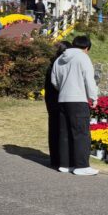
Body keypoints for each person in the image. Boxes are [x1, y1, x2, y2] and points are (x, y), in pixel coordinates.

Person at [51, 35, 100, 175]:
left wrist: (63, 90)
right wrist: (93, 97)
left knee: (65, 133)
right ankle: (82, 166)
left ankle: (65, 164)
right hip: (78, 100)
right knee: (81, 133)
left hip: (62, 99)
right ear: (86, 48)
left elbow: (54, 80)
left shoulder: (59, 59)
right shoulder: (83, 57)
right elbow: (89, 79)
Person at [44, 40, 71, 170]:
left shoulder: (52, 62)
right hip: (59, 99)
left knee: (53, 128)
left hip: (50, 99)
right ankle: (62, 159)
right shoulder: (60, 64)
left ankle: (54, 158)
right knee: (62, 129)